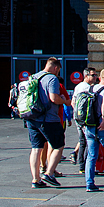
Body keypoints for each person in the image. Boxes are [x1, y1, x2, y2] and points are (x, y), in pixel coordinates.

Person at [25, 57, 71, 188]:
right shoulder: (52, 79)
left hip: (32, 118)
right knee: (58, 146)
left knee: (36, 149)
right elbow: (53, 98)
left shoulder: (34, 77)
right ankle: (49, 173)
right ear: (56, 68)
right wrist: (63, 100)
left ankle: (36, 179)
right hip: (48, 119)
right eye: (58, 71)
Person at [70, 67, 98, 172]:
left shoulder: (78, 86)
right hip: (87, 118)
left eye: (95, 75)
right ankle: (85, 165)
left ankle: (82, 166)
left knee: (82, 141)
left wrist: (77, 114)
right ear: (86, 76)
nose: (95, 77)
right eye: (93, 75)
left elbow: (73, 101)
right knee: (88, 141)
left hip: (78, 117)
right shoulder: (88, 88)